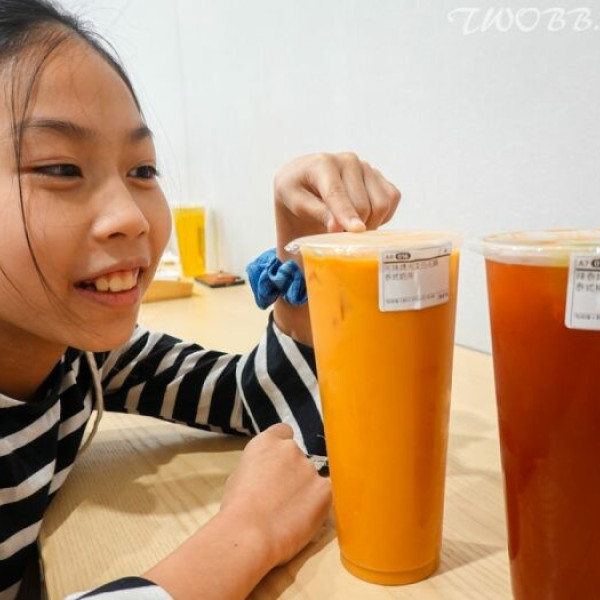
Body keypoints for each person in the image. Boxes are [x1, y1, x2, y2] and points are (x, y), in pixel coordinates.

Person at [0, 0, 401, 598]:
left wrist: (301, 250)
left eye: (142, 170)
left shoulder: (84, 359)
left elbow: (260, 402)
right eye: (60, 169)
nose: (132, 217)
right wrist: (246, 533)